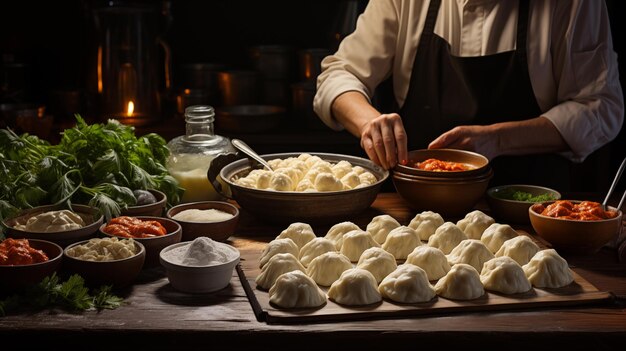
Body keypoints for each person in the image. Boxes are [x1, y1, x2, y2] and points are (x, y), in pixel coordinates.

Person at [313, 0, 624, 190]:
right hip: (414, 215)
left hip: (530, 214)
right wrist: (370, 123)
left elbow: (600, 107)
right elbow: (339, 75)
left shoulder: (573, 3)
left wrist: (497, 140)